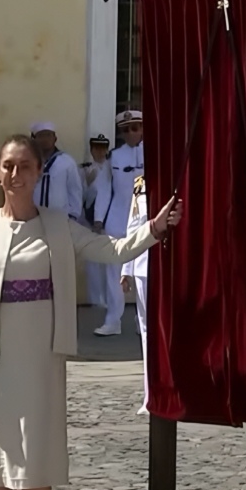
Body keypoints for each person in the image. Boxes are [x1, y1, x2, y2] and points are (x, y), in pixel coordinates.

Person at [0, 134, 181, 490]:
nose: (16, 175)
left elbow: (110, 249)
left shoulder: (58, 225)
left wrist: (153, 230)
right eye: (8, 166)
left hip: (41, 357)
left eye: (25, 167)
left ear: (39, 173)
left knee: (36, 456)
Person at [94, 110, 144, 336]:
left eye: (135, 128)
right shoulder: (114, 156)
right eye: (126, 130)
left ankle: (144, 318)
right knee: (113, 272)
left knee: (145, 273)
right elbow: (104, 189)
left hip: (145, 219)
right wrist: (98, 219)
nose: (131, 133)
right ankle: (113, 320)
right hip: (117, 219)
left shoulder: (155, 152)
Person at [120, 174, 150, 413]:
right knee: (147, 332)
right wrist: (126, 267)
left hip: (174, 265)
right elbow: (134, 226)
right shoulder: (141, 184)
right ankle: (151, 395)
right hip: (144, 265)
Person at [80, 134, 113, 308]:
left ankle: (109, 298)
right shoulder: (85, 169)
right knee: (92, 262)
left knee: (107, 261)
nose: (99, 152)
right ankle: (95, 299)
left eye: (102, 148)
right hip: (88, 219)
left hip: (107, 219)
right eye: (96, 148)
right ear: (91, 149)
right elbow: (81, 197)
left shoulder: (112, 167)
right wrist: (87, 183)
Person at [30, 121, 84, 221]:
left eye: (48, 135)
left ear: (55, 138)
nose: (45, 139)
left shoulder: (67, 161)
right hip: (33, 218)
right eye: (41, 136)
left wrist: (73, 214)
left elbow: (75, 190)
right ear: (34, 139)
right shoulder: (29, 162)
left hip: (61, 217)